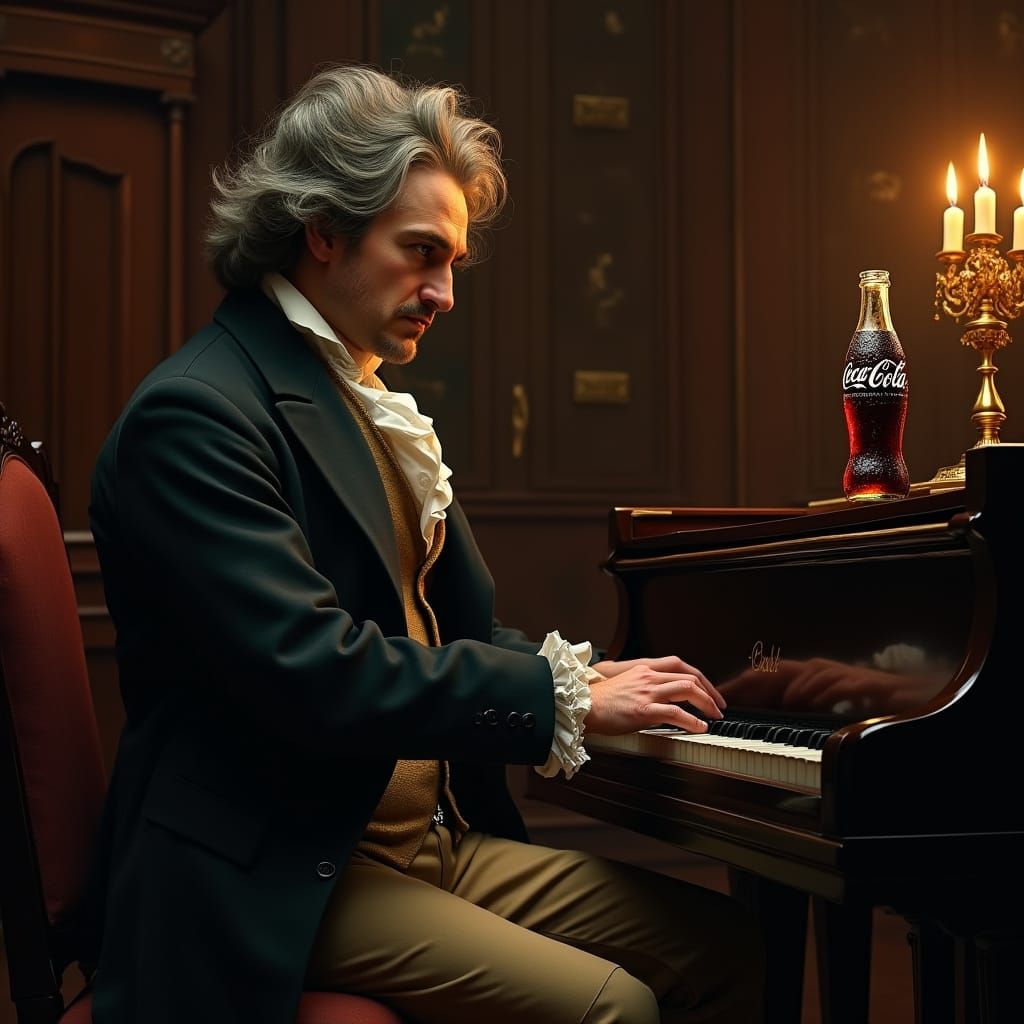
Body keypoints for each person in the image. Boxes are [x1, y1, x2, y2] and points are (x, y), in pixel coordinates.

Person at [86, 65, 763, 1024]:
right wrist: (561, 697)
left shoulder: (355, 398)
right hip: (281, 870)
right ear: (322, 232)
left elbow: (458, 628)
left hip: (422, 844)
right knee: (612, 1007)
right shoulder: (196, 414)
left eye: (451, 261)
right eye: (420, 254)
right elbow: (313, 671)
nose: (444, 292)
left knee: (733, 950)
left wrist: (606, 683)